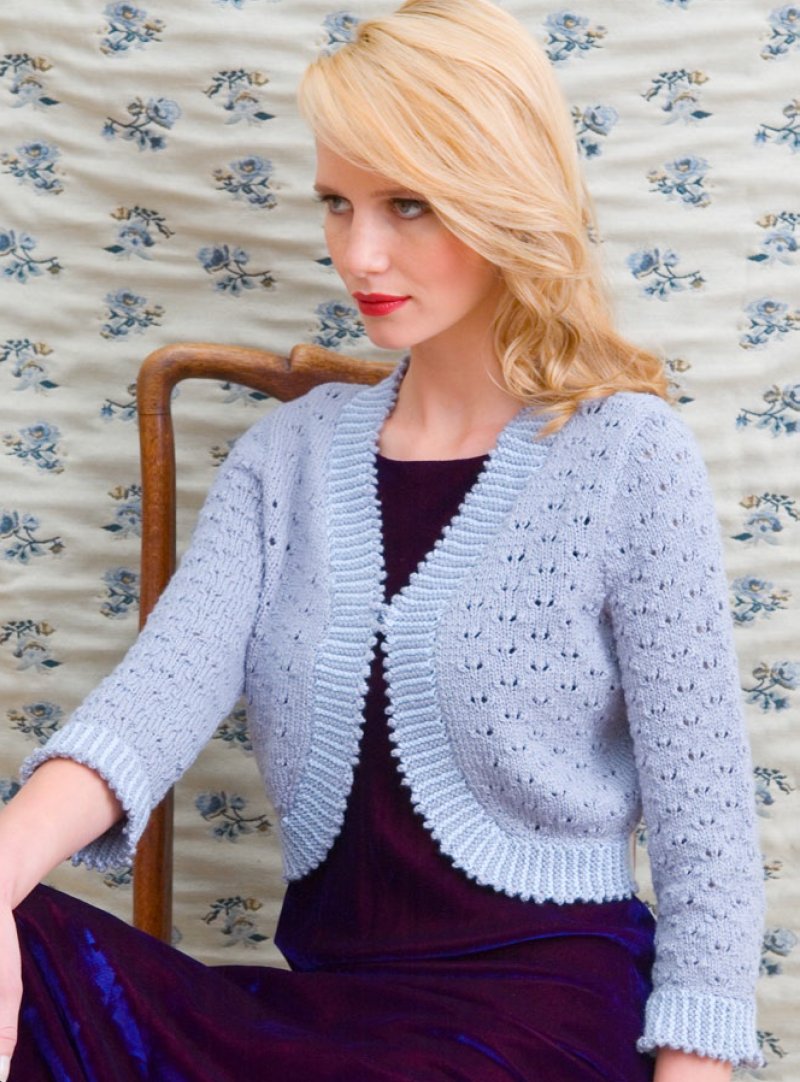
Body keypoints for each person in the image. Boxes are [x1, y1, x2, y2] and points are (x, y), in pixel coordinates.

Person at [0, 1, 765, 1079]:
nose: (359, 252)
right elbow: (153, 698)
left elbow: (706, 835)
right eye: (337, 203)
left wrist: (690, 1072)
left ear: (503, 195)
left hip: (534, 1018)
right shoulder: (285, 458)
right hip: (322, 1020)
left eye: (409, 204)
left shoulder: (628, 455)